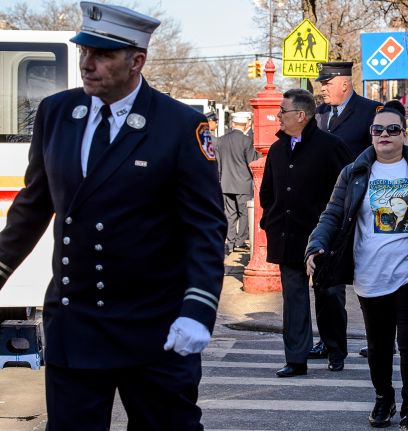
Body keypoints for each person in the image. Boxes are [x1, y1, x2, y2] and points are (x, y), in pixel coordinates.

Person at [0, 3, 227, 429]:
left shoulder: (179, 125)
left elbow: (205, 228)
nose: (88, 64)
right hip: (76, 318)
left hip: (154, 324)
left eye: (103, 55)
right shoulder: (57, 114)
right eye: (85, 52)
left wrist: (198, 308)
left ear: (136, 61)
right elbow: (32, 207)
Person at [305, 100, 408, 431]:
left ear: (404, 133)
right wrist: (316, 245)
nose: (384, 135)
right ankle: (383, 398)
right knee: (378, 345)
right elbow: (332, 214)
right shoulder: (355, 172)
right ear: (370, 134)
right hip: (369, 274)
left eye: (391, 129)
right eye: (377, 130)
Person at [259, 88, 352, 377]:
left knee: (329, 294)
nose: (278, 117)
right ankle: (296, 358)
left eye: (282, 112)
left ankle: (335, 348)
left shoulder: (329, 146)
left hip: (322, 237)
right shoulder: (277, 148)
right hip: (287, 235)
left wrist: (335, 228)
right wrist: (270, 221)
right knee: (294, 298)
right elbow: (268, 193)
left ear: (301, 115)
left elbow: (348, 189)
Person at [312, 61, 382, 360]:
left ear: (344, 82)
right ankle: (331, 342)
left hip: (363, 207)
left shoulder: (371, 112)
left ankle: (379, 340)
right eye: (321, 83)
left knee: (373, 278)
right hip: (327, 209)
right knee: (326, 279)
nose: (322, 88)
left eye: (327, 83)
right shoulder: (320, 114)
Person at [218, 111, 260, 254]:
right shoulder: (247, 141)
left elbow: (218, 163)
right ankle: (240, 242)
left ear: (233, 123)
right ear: (246, 124)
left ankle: (230, 242)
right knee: (244, 214)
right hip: (243, 183)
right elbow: (252, 163)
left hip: (225, 183)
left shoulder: (221, 139)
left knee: (230, 214)